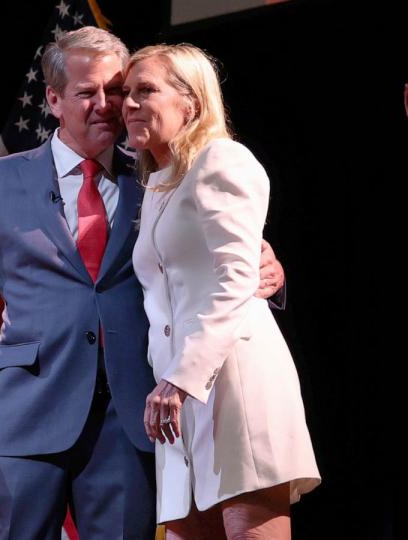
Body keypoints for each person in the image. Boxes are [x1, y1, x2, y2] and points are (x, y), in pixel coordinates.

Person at [0, 26, 286, 539]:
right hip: (28, 413)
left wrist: (268, 267)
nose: (106, 105)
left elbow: (211, 256)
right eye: (86, 93)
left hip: (131, 416)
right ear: (53, 99)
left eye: (116, 91)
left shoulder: (159, 178)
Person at [124, 43, 319, 538]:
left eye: (145, 90)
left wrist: (180, 379)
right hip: (177, 400)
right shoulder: (159, 183)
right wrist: (173, 381)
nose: (127, 103)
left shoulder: (222, 159)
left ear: (190, 102)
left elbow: (237, 278)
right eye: (126, 92)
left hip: (231, 384)